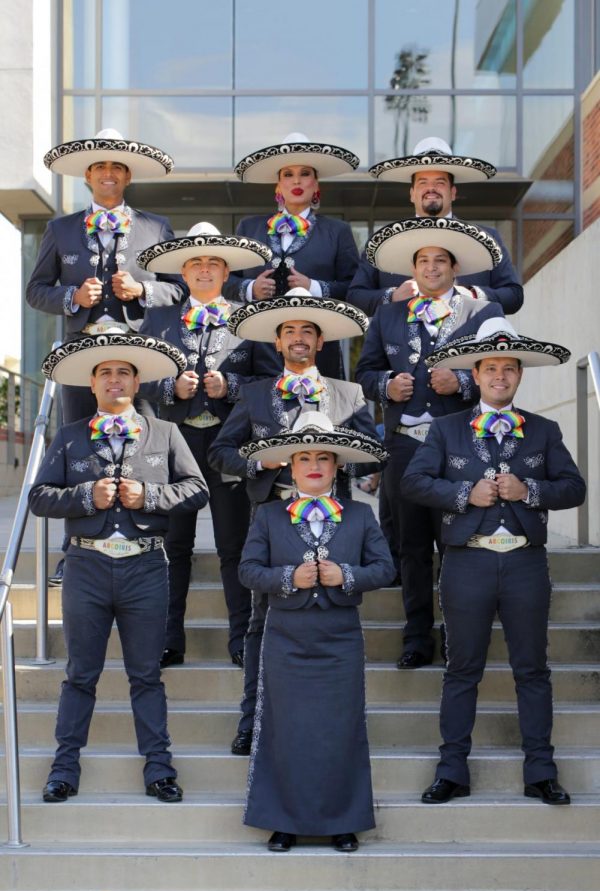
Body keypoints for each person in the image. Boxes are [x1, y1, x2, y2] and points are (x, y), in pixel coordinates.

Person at [401, 318, 586, 805]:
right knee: (462, 668)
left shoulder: (544, 430)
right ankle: (452, 770)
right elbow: (414, 483)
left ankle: (541, 770)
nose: (500, 376)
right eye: (490, 368)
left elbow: (574, 487)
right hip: (468, 563)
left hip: (525, 563)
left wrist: (532, 490)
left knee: (533, 669)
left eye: (509, 368)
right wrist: (465, 493)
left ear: (519, 375)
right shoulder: (444, 430)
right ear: (476, 374)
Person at [29, 332, 209, 803]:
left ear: (136, 381)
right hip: (86, 565)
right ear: (92, 384)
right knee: (80, 674)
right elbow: (38, 497)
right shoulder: (69, 436)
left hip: (146, 566)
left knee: (146, 674)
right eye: (105, 373)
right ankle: (64, 768)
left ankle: (159, 768)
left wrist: (148, 496)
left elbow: (196, 489)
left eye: (123, 372)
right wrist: (86, 496)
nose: (114, 380)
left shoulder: (166, 433)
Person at [208, 289, 378, 754]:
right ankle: (252, 721)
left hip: (333, 523)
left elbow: (373, 455)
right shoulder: (255, 393)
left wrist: (342, 459)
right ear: (278, 343)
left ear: (321, 341)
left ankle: (335, 724)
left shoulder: (347, 394)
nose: (299, 339)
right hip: (270, 520)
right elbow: (220, 451)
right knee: (261, 625)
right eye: (289, 332)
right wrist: (258, 462)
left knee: (332, 619)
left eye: (307, 331)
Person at [238, 412, 395, 852]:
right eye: (303, 457)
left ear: (336, 465)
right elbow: (248, 570)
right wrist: (289, 577)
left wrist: (344, 575)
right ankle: (283, 820)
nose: (313, 464)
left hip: (340, 638)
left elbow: (385, 569)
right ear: (290, 465)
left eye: (322, 457)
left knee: (340, 729)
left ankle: (343, 820)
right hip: (286, 637)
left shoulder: (361, 516)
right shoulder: (268, 516)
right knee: (284, 729)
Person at [355, 218, 505, 669]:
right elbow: (364, 373)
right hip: (405, 444)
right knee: (412, 544)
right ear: (414, 269)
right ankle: (416, 636)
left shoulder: (480, 314)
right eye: (424, 261)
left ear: (455, 268)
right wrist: (385, 387)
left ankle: (458, 634)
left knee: (458, 541)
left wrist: (461, 381)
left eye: (441, 261)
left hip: (458, 444)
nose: (432, 268)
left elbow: (499, 377)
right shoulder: (387, 314)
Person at [137, 223, 280, 667]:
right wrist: (170, 388)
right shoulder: (158, 319)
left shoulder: (247, 319)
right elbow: (139, 376)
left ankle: (241, 637)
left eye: (213, 263)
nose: (204, 269)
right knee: (174, 545)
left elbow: (268, 381)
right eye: (196, 263)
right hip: (174, 446)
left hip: (226, 445)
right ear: (183, 271)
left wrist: (231, 385)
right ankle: (168, 638)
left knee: (232, 544)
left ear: (225, 270)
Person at [26, 127, 185, 425]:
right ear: (88, 175)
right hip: (79, 354)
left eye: (116, 167)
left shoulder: (156, 227)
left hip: (138, 353)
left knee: (144, 436)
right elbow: (35, 291)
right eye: (100, 166)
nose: (107, 173)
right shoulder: (60, 230)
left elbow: (178, 290)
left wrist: (141, 289)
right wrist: (73, 296)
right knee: (76, 437)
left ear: (128, 176)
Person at [223, 132, 360, 378]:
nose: (297, 181)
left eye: (305, 174)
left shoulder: (337, 231)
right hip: (258, 349)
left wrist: (314, 287)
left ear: (316, 184)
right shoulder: (249, 227)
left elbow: (354, 289)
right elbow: (225, 282)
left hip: (319, 351)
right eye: (288, 174)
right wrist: (251, 288)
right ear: (278, 185)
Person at [347, 136, 523, 316]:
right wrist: (392, 296)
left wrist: (473, 294)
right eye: (423, 182)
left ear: (453, 192)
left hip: (466, 339)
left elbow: (514, 296)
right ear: (412, 193)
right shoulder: (383, 241)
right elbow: (355, 296)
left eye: (440, 182)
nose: (431, 189)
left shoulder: (486, 238)